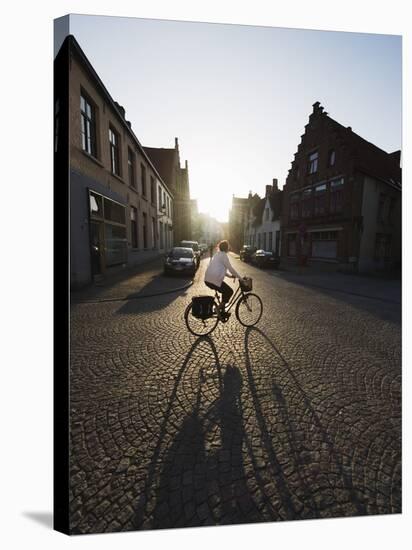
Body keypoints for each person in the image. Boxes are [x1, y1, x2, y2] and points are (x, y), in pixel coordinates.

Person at [204, 240, 242, 319]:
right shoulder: (224, 255)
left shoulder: (217, 254)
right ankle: (218, 308)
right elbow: (230, 268)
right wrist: (240, 278)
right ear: (226, 248)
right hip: (214, 280)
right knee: (229, 291)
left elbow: (220, 269)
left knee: (225, 291)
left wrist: (230, 276)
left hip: (208, 279)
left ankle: (223, 312)